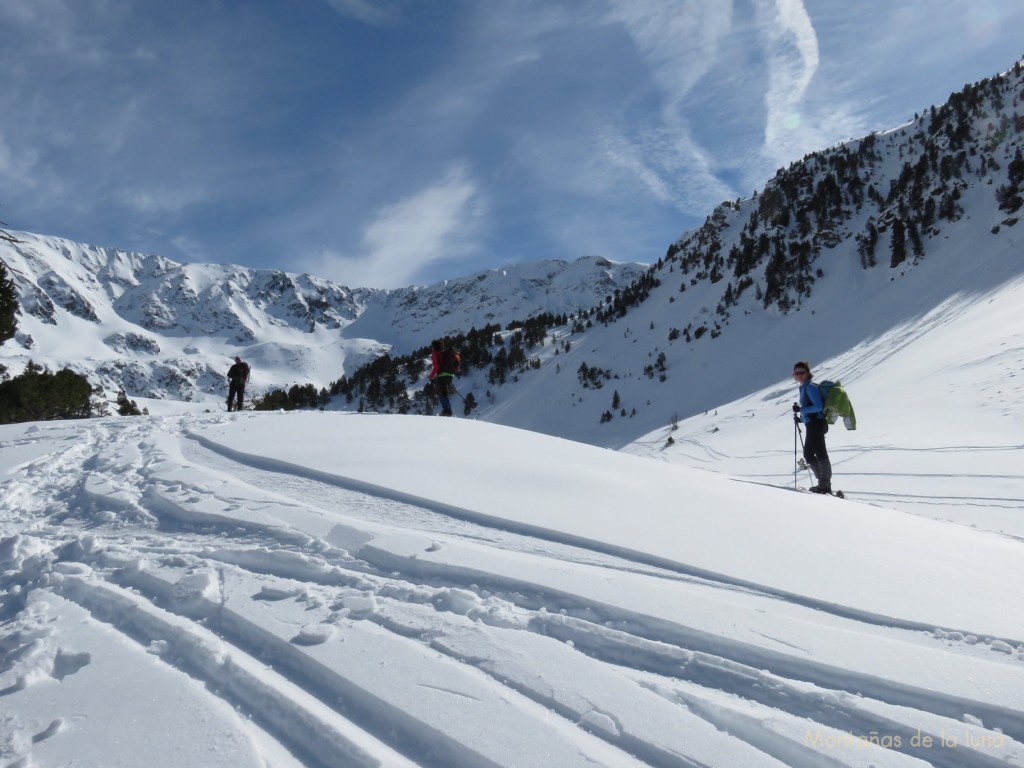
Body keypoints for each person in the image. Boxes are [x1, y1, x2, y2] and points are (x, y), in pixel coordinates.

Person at [792, 360, 832, 493]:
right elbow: (811, 408)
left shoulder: (810, 387)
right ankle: (822, 483)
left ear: (808, 373)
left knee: (820, 453)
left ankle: (825, 485)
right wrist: (802, 418)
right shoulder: (803, 387)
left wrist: (802, 411)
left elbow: (818, 407)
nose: (799, 375)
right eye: (797, 373)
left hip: (817, 424)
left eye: (802, 372)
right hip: (812, 424)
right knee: (809, 454)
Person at [429, 339, 457, 416]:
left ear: (434, 347)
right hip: (450, 375)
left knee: (442, 394)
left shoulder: (435, 354)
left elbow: (436, 367)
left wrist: (431, 377)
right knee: (444, 393)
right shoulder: (445, 352)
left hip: (442, 375)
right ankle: (447, 409)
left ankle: (447, 410)